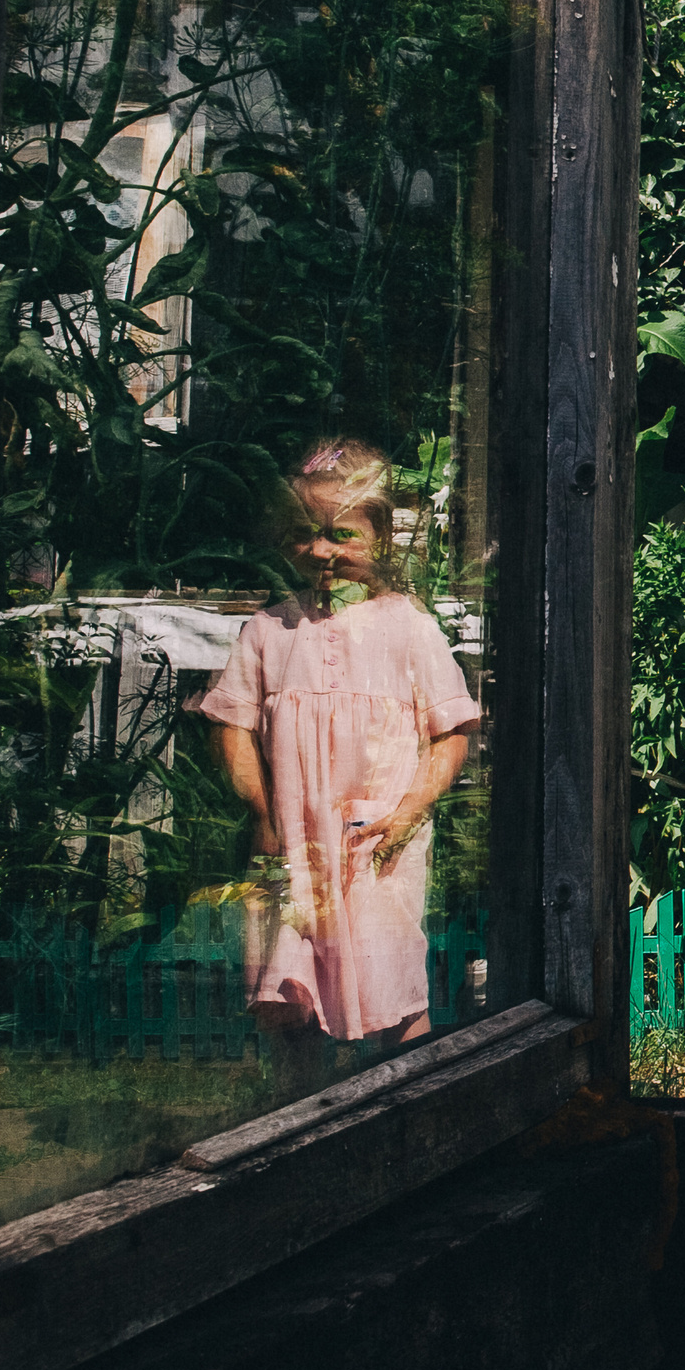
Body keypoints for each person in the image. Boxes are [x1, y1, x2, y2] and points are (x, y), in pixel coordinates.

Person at [196, 438, 480, 1054]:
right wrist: (265, 813)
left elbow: (451, 732)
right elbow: (233, 726)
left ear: (378, 534)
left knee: (392, 982)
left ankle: (410, 1105)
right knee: (288, 993)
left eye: (341, 535)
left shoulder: (409, 626)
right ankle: (296, 1121)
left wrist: (409, 810)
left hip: (377, 847)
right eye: (305, 534)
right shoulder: (269, 631)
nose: (321, 551)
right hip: (291, 845)